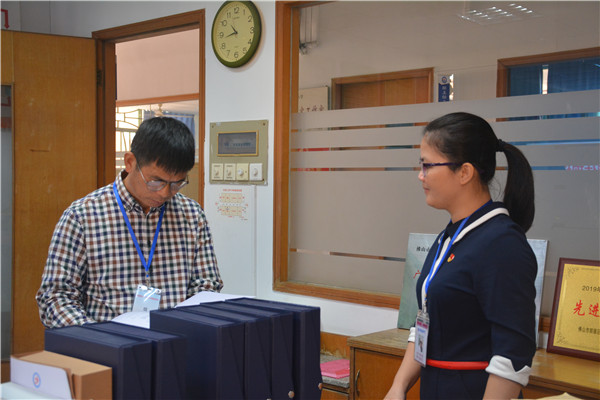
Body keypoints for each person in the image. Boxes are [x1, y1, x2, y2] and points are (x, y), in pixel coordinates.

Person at [384, 112, 537, 400]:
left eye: (428, 165)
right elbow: (426, 319)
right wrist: (398, 386)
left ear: (465, 172)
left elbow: (512, 355)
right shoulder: (450, 236)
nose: (421, 175)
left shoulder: (502, 243)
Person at [36, 117, 223, 328]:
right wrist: (99, 337)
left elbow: (206, 286)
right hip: (107, 344)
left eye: (176, 184)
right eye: (156, 181)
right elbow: (55, 297)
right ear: (130, 162)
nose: (164, 193)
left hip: (175, 342)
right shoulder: (82, 216)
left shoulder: (191, 215)